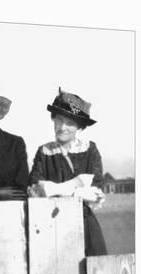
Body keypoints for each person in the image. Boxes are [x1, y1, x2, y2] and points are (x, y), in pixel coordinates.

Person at [29, 88, 107, 256]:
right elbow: (36, 190)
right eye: (58, 120)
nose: (62, 127)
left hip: (85, 224)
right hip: (52, 224)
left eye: (69, 122)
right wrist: (77, 185)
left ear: (79, 127)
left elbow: (95, 192)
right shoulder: (44, 152)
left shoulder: (90, 150)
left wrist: (55, 189)